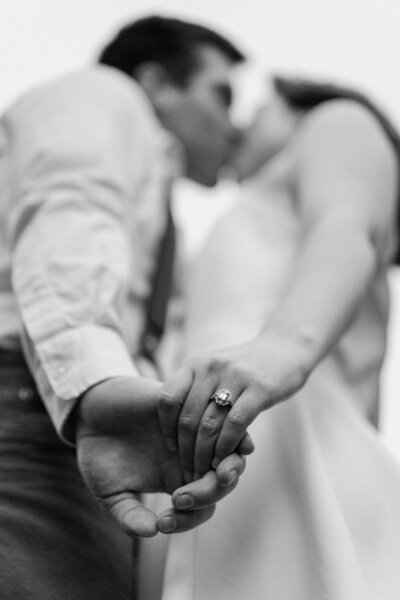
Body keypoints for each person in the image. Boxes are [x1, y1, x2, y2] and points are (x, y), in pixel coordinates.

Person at [0, 15, 254, 600]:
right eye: (220, 93)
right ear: (159, 82)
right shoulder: (103, 97)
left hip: (81, 432)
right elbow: (70, 221)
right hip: (34, 414)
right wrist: (96, 388)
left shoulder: (167, 214)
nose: (232, 123)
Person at [157, 76, 400, 599]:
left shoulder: (338, 120)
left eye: (262, 109)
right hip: (224, 460)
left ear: (299, 110)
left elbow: (346, 226)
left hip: (282, 444)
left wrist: (282, 347)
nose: (239, 124)